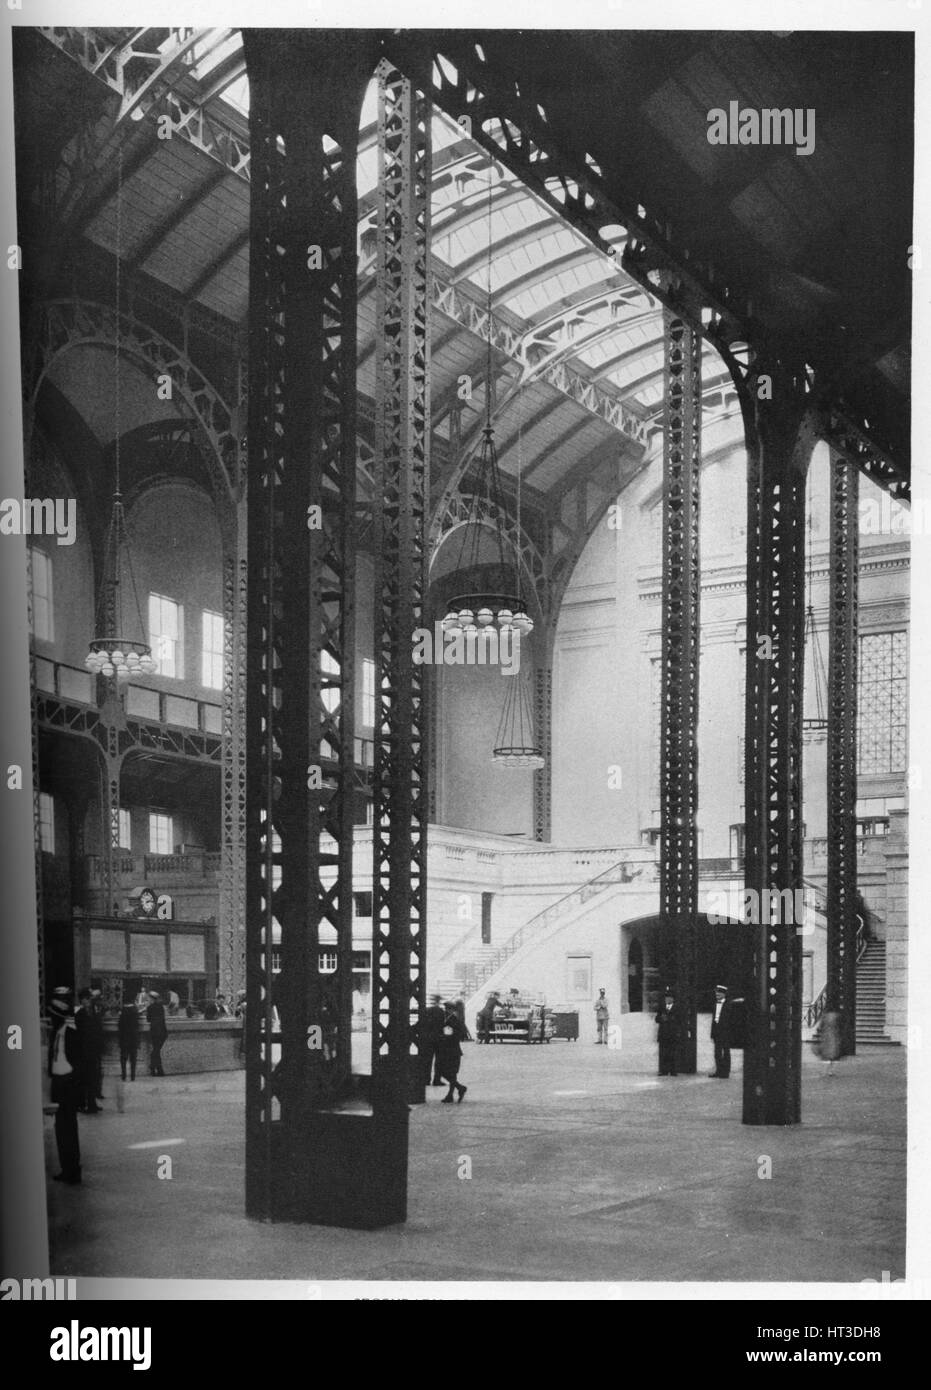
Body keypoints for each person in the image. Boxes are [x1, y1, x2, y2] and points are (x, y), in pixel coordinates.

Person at [48, 987, 82, 1184]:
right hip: (60, 1083)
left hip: (68, 1083)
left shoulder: (70, 1031)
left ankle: (72, 1170)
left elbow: (78, 1062)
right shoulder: (58, 1031)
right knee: (62, 1128)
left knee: (67, 1128)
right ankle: (67, 1168)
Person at [436, 1003, 467, 1104]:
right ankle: (460, 1088)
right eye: (445, 1008)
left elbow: (455, 1035)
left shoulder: (453, 1020)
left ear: (452, 1010)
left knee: (451, 1073)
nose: (445, 1010)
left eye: (447, 1009)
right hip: (448, 1050)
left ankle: (450, 1095)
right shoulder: (447, 1019)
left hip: (452, 1051)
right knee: (444, 1071)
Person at [74, 988, 99, 1113]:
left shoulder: (92, 1012)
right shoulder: (79, 1014)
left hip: (92, 1051)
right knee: (84, 1079)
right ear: (82, 1000)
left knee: (92, 1078)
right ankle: (83, 1104)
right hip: (83, 1052)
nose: (90, 1001)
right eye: (87, 998)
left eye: (90, 998)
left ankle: (92, 1102)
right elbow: (78, 1035)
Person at [709, 984, 734, 1078]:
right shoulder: (715, 1004)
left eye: (719, 994)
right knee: (717, 1052)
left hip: (725, 1032)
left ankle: (725, 1072)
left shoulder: (729, 1005)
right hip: (717, 1032)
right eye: (716, 993)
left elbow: (731, 1020)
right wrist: (712, 1034)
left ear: (724, 994)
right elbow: (714, 1020)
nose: (717, 995)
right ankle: (719, 1071)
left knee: (726, 1052)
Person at [655, 988, 682, 1076]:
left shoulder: (677, 1007)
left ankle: (673, 1070)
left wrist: (669, 1019)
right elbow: (657, 1018)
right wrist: (661, 1018)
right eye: (666, 998)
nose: (667, 999)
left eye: (669, 998)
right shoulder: (662, 1007)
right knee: (663, 1053)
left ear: (673, 999)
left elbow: (680, 1020)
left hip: (672, 1033)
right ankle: (664, 1070)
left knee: (673, 1053)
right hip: (663, 1033)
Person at [422, 993, 446, 1086]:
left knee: (427, 1060)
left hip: (428, 1038)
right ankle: (437, 1080)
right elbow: (442, 1025)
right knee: (439, 1061)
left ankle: (426, 1079)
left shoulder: (427, 1010)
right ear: (439, 1001)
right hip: (438, 1039)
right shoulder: (440, 1011)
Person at [146, 991, 168, 1076]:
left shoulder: (150, 1008)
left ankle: (153, 1067)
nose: (148, 1000)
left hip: (154, 1031)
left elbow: (148, 1019)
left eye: (148, 998)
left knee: (155, 1050)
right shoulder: (161, 1007)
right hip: (162, 1030)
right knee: (157, 1050)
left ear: (152, 999)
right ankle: (159, 1070)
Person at [117, 1002, 140, 1081]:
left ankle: (124, 1076)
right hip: (133, 1038)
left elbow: (119, 1026)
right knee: (133, 1058)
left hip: (124, 1039)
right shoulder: (135, 1012)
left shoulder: (123, 1012)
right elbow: (137, 1025)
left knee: (123, 1058)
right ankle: (133, 1076)